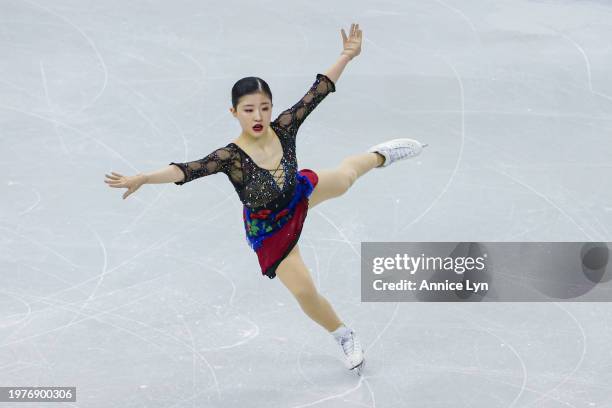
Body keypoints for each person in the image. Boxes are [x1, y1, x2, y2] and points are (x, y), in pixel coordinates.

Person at [104, 23, 426, 372]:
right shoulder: (229, 158)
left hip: (298, 192)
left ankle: (381, 155)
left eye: (264, 107)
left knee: (346, 178)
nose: (258, 116)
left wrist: (346, 55)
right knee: (304, 292)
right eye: (248, 109)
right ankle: (342, 333)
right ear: (234, 113)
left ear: (271, 108)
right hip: (270, 227)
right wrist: (145, 178)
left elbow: (318, 90)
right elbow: (186, 170)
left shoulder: (285, 127)